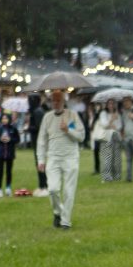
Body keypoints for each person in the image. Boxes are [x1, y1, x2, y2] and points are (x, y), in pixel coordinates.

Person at [37, 89, 85, 230]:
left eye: (59, 100)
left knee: (69, 191)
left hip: (70, 157)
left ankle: (66, 221)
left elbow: (81, 136)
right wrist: (41, 159)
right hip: (53, 157)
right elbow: (41, 140)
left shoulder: (72, 115)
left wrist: (68, 130)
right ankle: (58, 213)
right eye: (54, 100)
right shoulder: (47, 117)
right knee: (52, 189)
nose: (56, 103)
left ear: (64, 102)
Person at [0, 113, 21, 197]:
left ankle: (8, 188)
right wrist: (0, 139)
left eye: (6, 118)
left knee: (9, 171)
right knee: (0, 171)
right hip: (0, 154)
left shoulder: (13, 129)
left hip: (10, 154)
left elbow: (17, 139)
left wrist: (10, 139)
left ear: (9, 119)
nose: (4, 120)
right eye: (3, 118)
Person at [95, 98, 122, 182]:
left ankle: (117, 175)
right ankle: (107, 176)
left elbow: (120, 125)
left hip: (116, 135)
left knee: (117, 157)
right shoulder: (103, 113)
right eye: (109, 103)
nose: (111, 105)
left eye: (112, 103)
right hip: (106, 137)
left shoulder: (117, 113)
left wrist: (115, 126)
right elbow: (104, 125)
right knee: (107, 157)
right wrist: (112, 120)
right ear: (106, 105)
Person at [28, 95, 49, 197]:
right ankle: (42, 185)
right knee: (39, 163)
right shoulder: (36, 111)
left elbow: (40, 128)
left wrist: (30, 128)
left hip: (39, 142)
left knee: (41, 163)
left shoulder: (37, 112)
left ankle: (44, 185)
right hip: (37, 141)